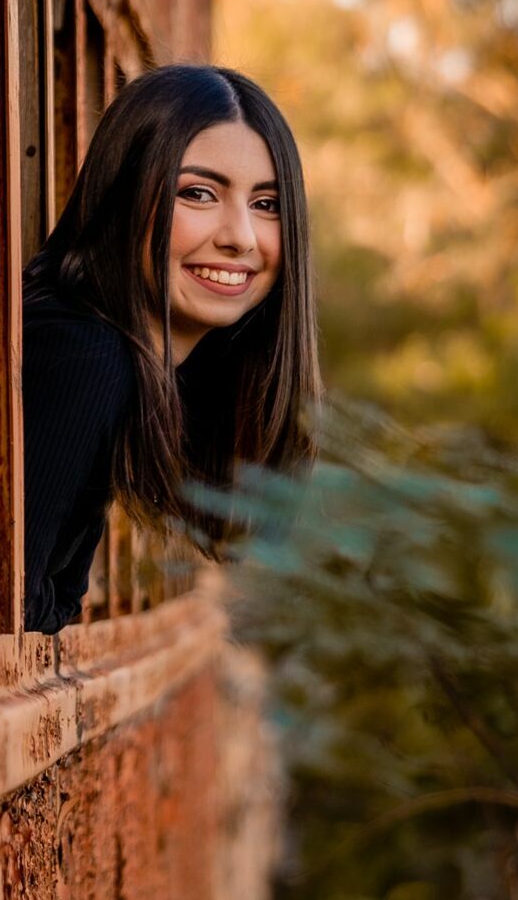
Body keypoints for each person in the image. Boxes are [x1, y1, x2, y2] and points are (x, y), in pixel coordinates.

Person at [22, 64, 319, 633]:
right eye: (198, 193)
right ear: (124, 198)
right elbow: (9, 613)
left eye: (266, 205)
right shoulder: (84, 354)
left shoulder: (123, 362)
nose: (240, 238)